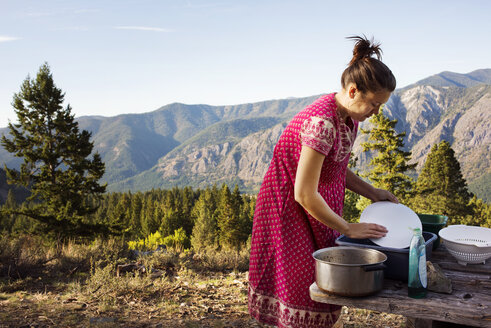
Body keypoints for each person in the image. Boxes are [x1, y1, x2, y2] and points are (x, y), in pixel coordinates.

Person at [248, 35, 398, 328]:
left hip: (317, 207)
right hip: (288, 211)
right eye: (374, 104)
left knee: (324, 286)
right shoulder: (322, 123)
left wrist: (372, 192)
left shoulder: (349, 119)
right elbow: (303, 193)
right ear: (353, 91)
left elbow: (335, 167)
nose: (376, 112)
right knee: (303, 289)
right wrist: (347, 228)